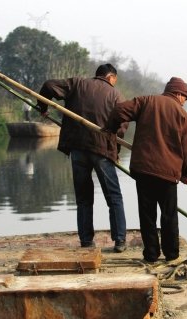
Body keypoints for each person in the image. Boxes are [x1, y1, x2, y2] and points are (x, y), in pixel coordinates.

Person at [37, 64, 127, 252]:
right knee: (114, 197)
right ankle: (119, 240)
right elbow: (121, 129)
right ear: (111, 77)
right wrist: (115, 152)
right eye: (114, 81)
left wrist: (42, 106)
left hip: (78, 148)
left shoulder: (77, 84)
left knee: (84, 198)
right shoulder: (116, 96)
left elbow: (48, 85)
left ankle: (86, 241)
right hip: (102, 150)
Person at [106, 77, 187, 263]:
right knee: (169, 215)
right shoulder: (183, 117)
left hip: (144, 170)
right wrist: (186, 173)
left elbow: (118, 110)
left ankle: (151, 255)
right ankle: (171, 255)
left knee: (147, 214)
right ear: (179, 94)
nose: (184, 103)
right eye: (185, 98)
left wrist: (111, 129)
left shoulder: (145, 101)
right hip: (168, 174)